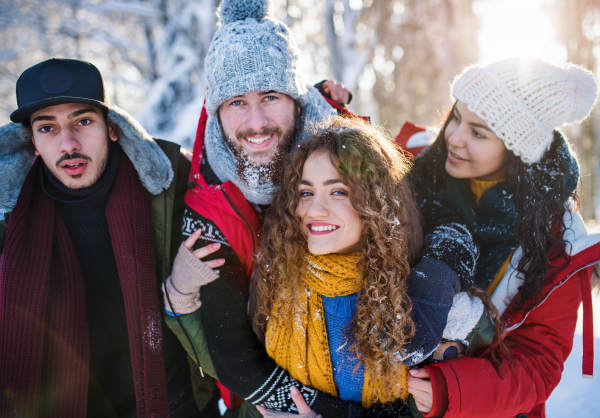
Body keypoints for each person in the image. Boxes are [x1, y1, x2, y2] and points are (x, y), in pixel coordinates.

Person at [163, 0, 482, 417]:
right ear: (216, 112)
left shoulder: (350, 149)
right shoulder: (208, 206)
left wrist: (438, 278)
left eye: (271, 96)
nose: (256, 122)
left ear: (298, 101)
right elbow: (233, 353)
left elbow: (432, 216)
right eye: (236, 102)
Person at [0, 58, 209, 417]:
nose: (68, 144)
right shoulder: (11, 223)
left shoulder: (168, 179)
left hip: (175, 405)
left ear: (113, 127)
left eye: (83, 121)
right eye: (47, 128)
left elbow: (246, 168)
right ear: (32, 142)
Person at [404, 58, 600, 418]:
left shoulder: (555, 238)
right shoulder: (412, 165)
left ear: (516, 151)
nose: (455, 137)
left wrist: (454, 390)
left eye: (478, 133)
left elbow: (538, 362)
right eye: (457, 117)